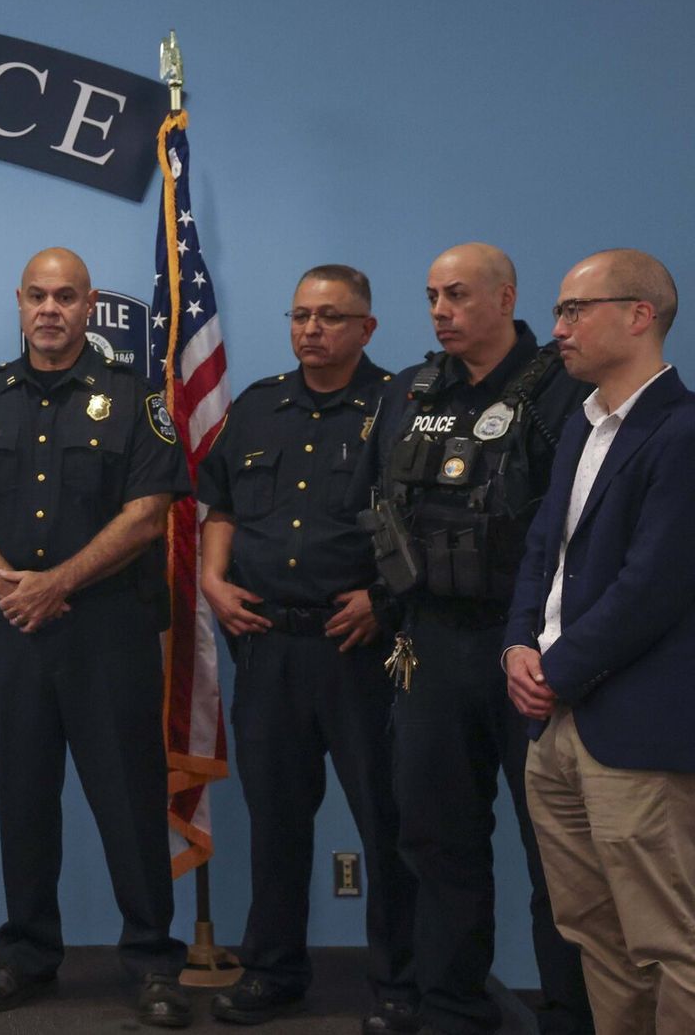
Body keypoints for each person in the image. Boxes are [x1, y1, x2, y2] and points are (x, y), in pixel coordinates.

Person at [0, 246, 192, 1028]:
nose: (50, 309)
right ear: (19, 302)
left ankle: (151, 962)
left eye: (66, 297)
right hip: (13, 630)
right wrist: (11, 586)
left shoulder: (134, 397)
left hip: (107, 631)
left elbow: (150, 512)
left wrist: (56, 583)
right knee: (23, 797)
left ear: (90, 308)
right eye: (37, 296)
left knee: (130, 801)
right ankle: (27, 956)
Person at [357, 243, 592, 1035]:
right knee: (435, 838)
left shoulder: (564, 389)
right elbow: (374, 509)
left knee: (556, 850)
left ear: (504, 298)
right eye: (430, 296)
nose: (440, 311)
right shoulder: (408, 392)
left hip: (529, 649)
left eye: (456, 295)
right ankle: (452, 1007)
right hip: (430, 645)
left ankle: (571, 1013)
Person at [196, 265, 415, 1031]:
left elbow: (424, 520)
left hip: (358, 649)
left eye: (329, 316)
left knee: (386, 823)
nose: (311, 329)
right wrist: (211, 579)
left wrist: (383, 601)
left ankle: (397, 981)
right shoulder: (258, 408)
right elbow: (220, 504)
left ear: (367, 328)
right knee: (276, 820)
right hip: (269, 647)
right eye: (300, 315)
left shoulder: (400, 408)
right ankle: (274, 970)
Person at [504, 249, 695, 1033]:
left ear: (639, 315)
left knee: (669, 942)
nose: (558, 330)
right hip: (556, 723)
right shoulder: (581, 427)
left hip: (634, 727)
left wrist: (555, 667)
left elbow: (654, 586)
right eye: (560, 310)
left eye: (577, 310)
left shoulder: (682, 432)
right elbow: (541, 550)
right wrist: (517, 643)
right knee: (595, 933)